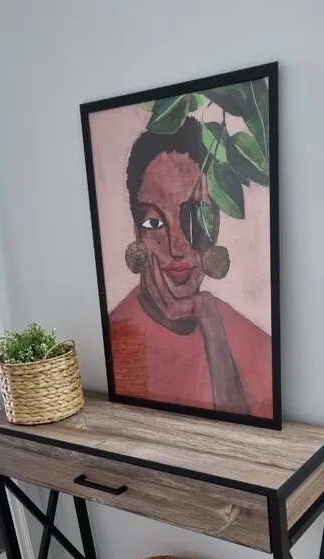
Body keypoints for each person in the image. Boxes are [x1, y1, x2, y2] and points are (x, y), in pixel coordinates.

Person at [109, 116, 272, 418]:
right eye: (154, 223)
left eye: (194, 217)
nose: (177, 247)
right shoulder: (117, 341)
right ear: (138, 235)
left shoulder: (259, 348)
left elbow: (244, 436)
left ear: (215, 224)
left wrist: (210, 322)